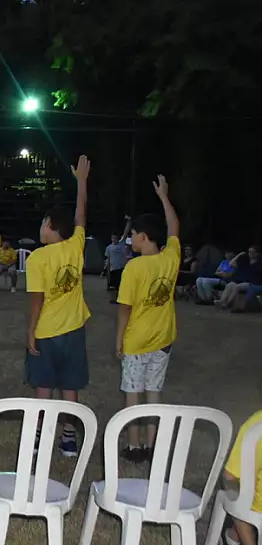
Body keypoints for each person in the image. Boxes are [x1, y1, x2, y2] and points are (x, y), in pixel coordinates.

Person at [25, 155, 91, 457]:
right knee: (69, 386)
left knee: (43, 385)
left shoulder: (37, 258)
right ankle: (67, 438)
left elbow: (37, 300)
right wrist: (81, 182)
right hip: (75, 330)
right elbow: (81, 215)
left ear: (51, 227)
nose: (40, 228)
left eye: (42, 223)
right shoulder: (76, 244)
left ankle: (40, 437)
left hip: (47, 331)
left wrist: (31, 332)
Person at [115, 176, 180, 463]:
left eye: (134, 235)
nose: (131, 239)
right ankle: (153, 447)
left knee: (132, 393)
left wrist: (119, 340)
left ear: (143, 236)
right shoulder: (171, 258)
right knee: (154, 393)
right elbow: (174, 228)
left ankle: (134, 447)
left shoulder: (133, 267)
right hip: (163, 340)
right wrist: (164, 197)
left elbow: (125, 309)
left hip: (137, 341)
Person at [220, 410, 262, 545]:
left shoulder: (256, 424)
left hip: (258, 508)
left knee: (237, 492)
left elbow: (230, 476)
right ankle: (233, 537)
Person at [104, 219, 133, 302]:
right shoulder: (109, 248)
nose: (114, 240)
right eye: (112, 238)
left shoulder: (122, 243)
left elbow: (125, 232)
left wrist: (129, 222)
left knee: (121, 284)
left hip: (122, 268)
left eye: (115, 238)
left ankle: (120, 298)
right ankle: (113, 299)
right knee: (112, 285)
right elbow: (108, 259)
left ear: (118, 238)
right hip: (113, 268)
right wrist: (108, 269)